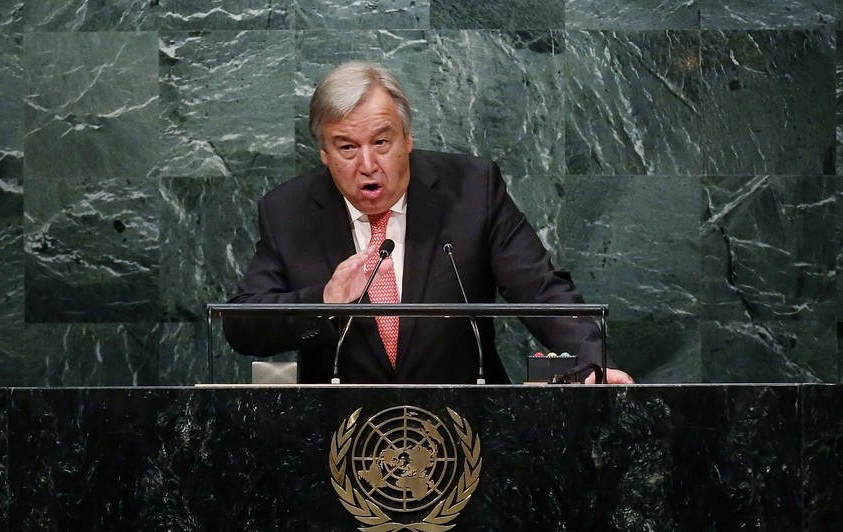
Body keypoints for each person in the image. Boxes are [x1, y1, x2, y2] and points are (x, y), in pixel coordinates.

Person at [223, 61, 634, 385]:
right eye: (347, 147)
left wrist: (596, 363)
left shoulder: (471, 190)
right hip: (340, 435)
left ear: (408, 138)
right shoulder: (288, 210)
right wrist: (325, 302)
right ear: (324, 153)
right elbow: (243, 326)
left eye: (381, 142)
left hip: (468, 422)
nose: (367, 165)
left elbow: (541, 292)